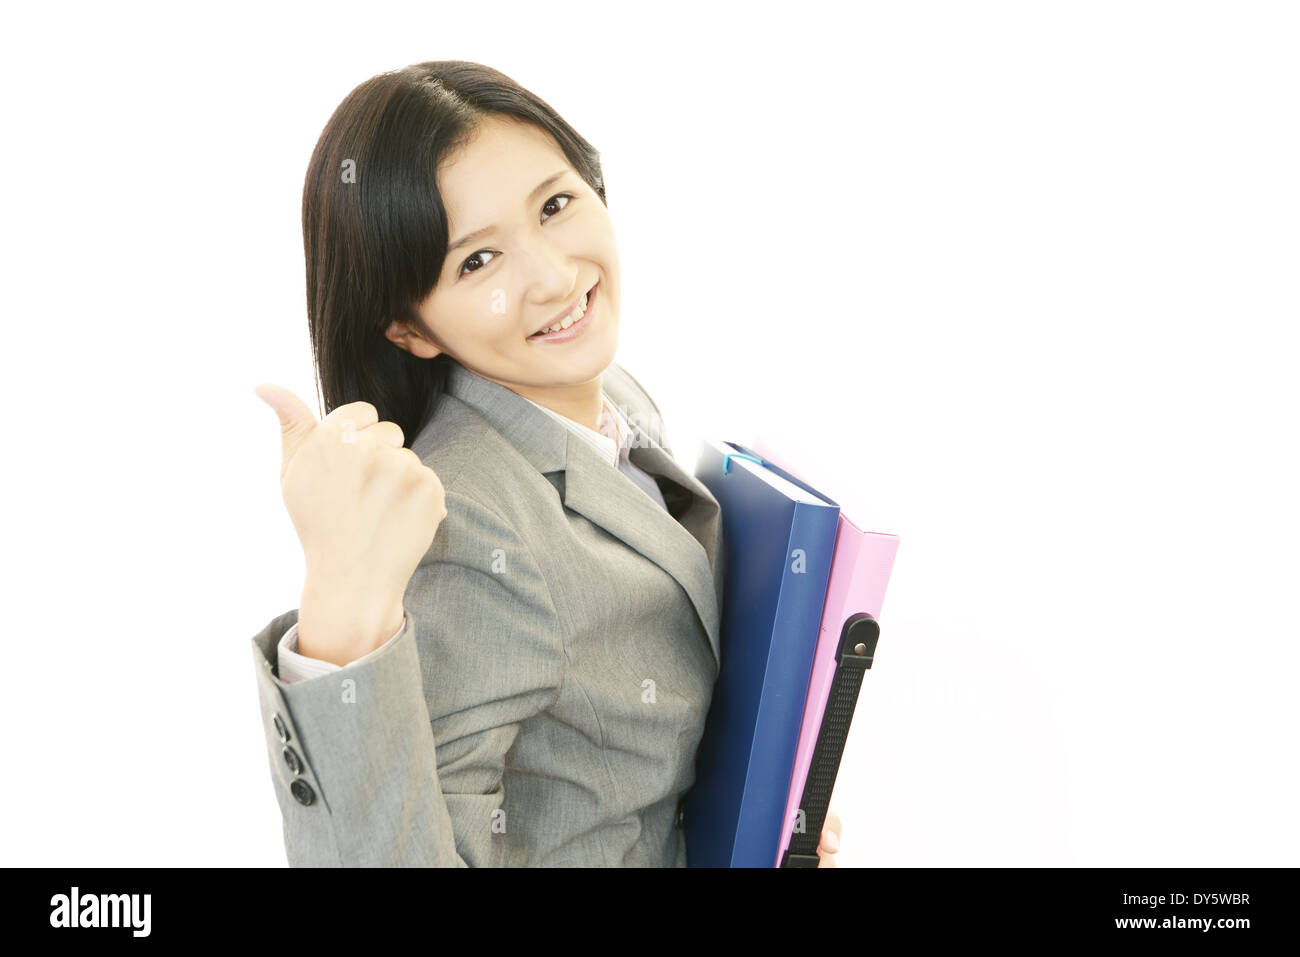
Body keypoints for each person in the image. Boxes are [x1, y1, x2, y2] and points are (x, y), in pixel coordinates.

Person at [250, 59, 842, 866]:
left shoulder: (611, 399)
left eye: (555, 206)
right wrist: (337, 624)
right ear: (410, 330)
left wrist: (758, 816)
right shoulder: (470, 523)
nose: (555, 278)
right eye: (477, 262)